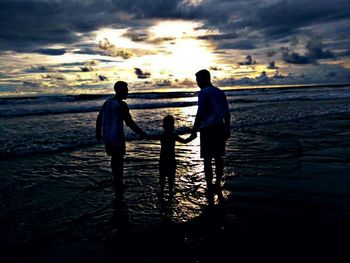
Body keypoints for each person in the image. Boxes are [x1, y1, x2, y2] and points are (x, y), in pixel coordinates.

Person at [96, 81, 147, 197]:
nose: (127, 92)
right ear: (120, 91)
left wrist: (98, 132)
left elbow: (99, 118)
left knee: (114, 160)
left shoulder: (107, 102)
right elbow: (129, 122)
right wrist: (141, 133)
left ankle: (116, 181)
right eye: (126, 90)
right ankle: (119, 182)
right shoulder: (122, 105)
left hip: (108, 137)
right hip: (117, 136)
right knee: (118, 160)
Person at [189, 69, 230, 194]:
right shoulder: (220, 92)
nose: (197, 83)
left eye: (198, 80)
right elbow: (227, 113)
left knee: (207, 159)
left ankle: (209, 185)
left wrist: (194, 130)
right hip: (220, 127)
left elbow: (200, 113)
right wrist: (227, 128)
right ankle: (217, 183)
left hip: (208, 129)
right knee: (218, 157)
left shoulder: (203, 92)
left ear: (204, 79)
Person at [158, 115, 194, 197]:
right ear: (173, 126)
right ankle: (170, 190)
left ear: (164, 126)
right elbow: (185, 141)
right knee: (171, 176)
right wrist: (192, 137)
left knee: (162, 175)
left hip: (163, 159)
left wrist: (142, 134)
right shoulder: (174, 136)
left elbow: (149, 137)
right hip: (171, 159)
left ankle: (162, 190)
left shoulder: (162, 136)